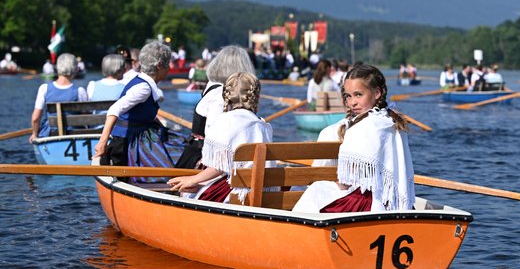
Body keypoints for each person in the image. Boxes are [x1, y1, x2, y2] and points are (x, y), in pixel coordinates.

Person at [293, 64, 415, 213]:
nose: (352, 103)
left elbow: (345, 183)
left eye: (358, 95)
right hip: (393, 202)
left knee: (316, 192)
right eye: (348, 96)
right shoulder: (392, 121)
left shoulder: (361, 128)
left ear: (377, 93)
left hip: (364, 204)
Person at [167, 72, 272, 202]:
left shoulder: (225, 120)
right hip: (262, 189)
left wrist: (192, 180)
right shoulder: (263, 125)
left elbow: (218, 168)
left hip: (237, 193)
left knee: (189, 194)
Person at [93, 41, 185, 181]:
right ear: (159, 65)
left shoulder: (141, 81)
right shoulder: (144, 88)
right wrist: (102, 142)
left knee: (183, 147)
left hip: (142, 138)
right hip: (129, 144)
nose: (169, 69)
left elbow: (140, 113)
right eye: (167, 65)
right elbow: (114, 109)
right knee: (181, 156)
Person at [174, 45, 256, 169]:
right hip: (205, 160)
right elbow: (214, 140)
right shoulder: (219, 95)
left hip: (210, 155)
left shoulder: (214, 87)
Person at [29, 53, 88, 141]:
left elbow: (35, 118)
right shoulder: (80, 91)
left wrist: (34, 134)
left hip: (49, 134)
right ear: (75, 69)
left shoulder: (44, 88)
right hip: (74, 134)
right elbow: (86, 118)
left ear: (56, 68)